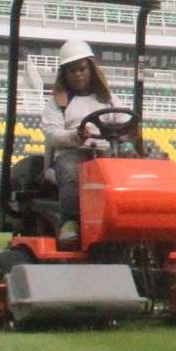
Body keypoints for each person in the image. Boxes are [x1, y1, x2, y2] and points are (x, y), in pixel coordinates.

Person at [41, 39, 114, 248]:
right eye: (72, 70)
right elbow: (52, 134)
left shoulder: (107, 99)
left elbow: (123, 122)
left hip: (105, 154)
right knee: (72, 171)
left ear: (91, 69)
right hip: (73, 153)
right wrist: (76, 136)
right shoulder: (58, 103)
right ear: (65, 74)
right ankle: (70, 223)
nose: (78, 74)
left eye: (82, 69)